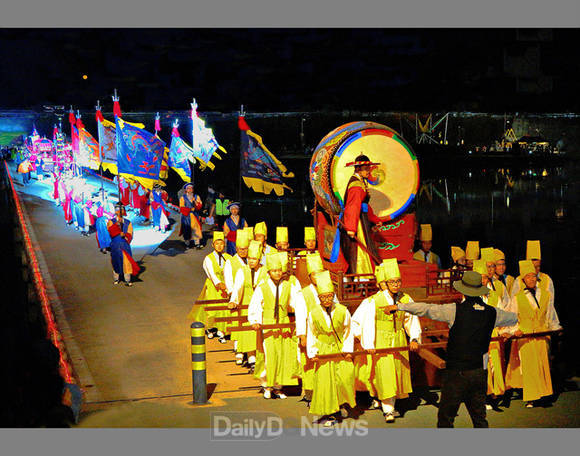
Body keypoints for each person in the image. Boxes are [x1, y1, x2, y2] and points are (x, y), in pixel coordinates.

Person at [383, 270, 518, 428]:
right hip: (479, 372)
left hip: (456, 372)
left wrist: (399, 306)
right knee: (480, 418)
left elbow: (426, 309)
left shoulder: (454, 310)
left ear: (463, 291)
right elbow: (514, 317)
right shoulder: (492, 313)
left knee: (446, 418)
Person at [352, 258, 422, 423]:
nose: (396, 284)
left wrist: (413, 337)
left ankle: (386, 401)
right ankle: (388, 410)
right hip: (381, 341)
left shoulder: (406, 299)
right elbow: (366, 323)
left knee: (397, 373)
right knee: (385, 374)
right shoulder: (374, 301)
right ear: (385, 283)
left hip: (398, 340)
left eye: (398, 281)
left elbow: (412, 320)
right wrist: (368, 343)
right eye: (392, 282)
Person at [503, 260, 562, 407]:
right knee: (529, 366)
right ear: (523, 279)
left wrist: (554, 328)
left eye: (533, 276)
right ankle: (531, 397)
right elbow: (512, 316)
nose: (531, 279)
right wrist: (513, 330)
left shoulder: (546, 295)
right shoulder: (518, 297)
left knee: (542, 364)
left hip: (541, 334)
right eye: (528, 277)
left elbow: (550, 314)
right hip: (526, 335)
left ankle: (543, 394)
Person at [248, 252, 301, 399]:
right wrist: (255, 320)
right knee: (269, 354)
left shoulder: (288, 286)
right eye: (274, 271)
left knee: (283, 354)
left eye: (279, 270)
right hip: (268, 324)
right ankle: (267, 385)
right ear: (269, 272)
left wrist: (302, 316)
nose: (277, 273)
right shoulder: (262, 287)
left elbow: (297, 303)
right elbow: (255, 305)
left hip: (283, 323)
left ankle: (278, 386)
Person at [307, 270, 356, 427]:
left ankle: (340, 404)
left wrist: (348, 350)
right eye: (323, 297)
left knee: (343, 378)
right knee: (325, 382)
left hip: (339, 348)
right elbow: (311, 334)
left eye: (329, 296)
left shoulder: (342, 310)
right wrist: (312, 352)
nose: (326, 300)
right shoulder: (313, 312)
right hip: (323, 349)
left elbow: (348, 331)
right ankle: (330, 413)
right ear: (319, 298)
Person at [472, 259, 508, 410]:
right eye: (479, 278)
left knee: (494, 365)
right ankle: (481, 397)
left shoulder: (494, 295)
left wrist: (504, 330)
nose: (483, 280)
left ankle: (492, 394)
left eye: (485, 277)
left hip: (492, 334)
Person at [295, 253, 330, 406]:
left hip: (326, 333)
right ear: (310, 277)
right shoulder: (303, 294)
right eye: (315, 274)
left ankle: (324, 391)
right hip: (310, 333)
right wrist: (302, 335)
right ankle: (310, 392)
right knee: (309, 362)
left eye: (320, 273)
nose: (318, 277)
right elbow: (300, 315)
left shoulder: (329, 290)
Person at [229, 239, 269, 371]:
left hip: (262, 306)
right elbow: (237, 287)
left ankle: (259, 358)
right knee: (247, 332)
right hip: (246, 303)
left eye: (254, 258)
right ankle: (251, 357)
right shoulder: (242, 271)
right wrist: (234, 300)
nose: (251, 261)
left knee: (259, 334)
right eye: (249, 258)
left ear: (259, 258)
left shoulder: (265, 272)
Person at [340, 154, 383, 274]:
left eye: (369, 168)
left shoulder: (361, 182)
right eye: (366, 169)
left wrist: (374, 219)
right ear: (358, 169)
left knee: (365, 247)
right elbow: (352, 206)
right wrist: (351, 228)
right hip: (356, 221)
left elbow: (364, 206)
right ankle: (362, 275)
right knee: (359, 250)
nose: (369, 171)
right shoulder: (356, 185)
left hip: (360, 217)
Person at [191, 231, 232, 343]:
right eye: (217, 244)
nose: (219, 246)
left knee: (224, 308)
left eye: (222, 243)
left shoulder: (228, 257)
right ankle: (210, 328)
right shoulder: (208, 258)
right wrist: (218, 283)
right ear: (213, 245)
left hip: (226, 285)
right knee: (212, 309)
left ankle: (222, 331)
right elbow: (211, 273)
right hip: (213, 286)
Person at [107, 204, 141, 287]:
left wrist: (125, 236)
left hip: (124, 245)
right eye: (118, 210)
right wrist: (117, 226)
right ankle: (116, 278)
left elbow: (130, 233)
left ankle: (127, 279)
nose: (119, 212)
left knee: (127, 262)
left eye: (121, 210)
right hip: (115, 245)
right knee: (116, 262)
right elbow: (110, 232)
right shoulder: (111, 222)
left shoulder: (128, 223)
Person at [179, 182, 203, 249]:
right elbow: (182, 207)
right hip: (186, 216)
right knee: (186, 229)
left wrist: (194, 201)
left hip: (195, 215)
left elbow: (199, 206)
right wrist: (190, 209)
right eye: (188, 188)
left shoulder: (196, 196)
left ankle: (197, 243)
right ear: (186, 190)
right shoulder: (182, 198)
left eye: (191, 188)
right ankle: (187, 243)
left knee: (196, 229)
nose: (190, 189)